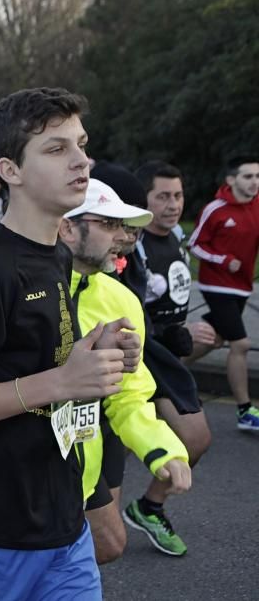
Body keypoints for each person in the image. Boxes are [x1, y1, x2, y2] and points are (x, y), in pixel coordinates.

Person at [0, 88, 139, 600]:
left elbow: (34, 357)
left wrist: (93, 352)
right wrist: (61, 379)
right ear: (10, 170)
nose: (81, 159)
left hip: (63, 514)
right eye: (56, 148)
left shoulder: (57, 254)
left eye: (81, 145)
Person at [58, 178, 191, 564]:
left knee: (107, 546)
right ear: (68, 226)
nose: (123, 238)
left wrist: (161, 450)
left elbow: (131, 393)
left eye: (124, 226)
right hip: (22, 460)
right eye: (109, 225)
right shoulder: (26, 285)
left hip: (82, 451)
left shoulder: (121, 299)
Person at [101, 161, 213, 556]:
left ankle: (149, 506)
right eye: (162, 196)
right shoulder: (126, 248)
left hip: (162, 358)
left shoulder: (177, 237)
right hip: (138, 355)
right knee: (104, 540)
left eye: (178, 195)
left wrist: (185, 334)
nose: (172, 204)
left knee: (195, 439)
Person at [187, 156, 259, 429]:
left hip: (241, 286)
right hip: (215, 284)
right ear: (231, 180)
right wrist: (224, 260)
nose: (255, 182)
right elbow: (195, 245)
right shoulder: (215, 209)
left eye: (258, 177)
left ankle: (166, 373)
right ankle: (244, 411)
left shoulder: (257, 206)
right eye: (248, 176)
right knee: (239, 344)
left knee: (213, 340)